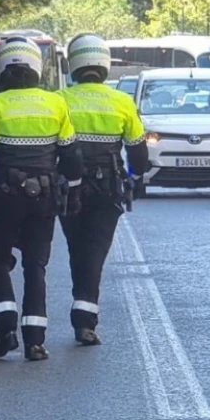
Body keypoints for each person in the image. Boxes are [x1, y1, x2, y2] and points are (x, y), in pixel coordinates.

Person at [0, 36, 84, 362]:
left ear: (1, 69)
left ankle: (5, 331)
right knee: (35, 266)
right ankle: (35, 341)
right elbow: (70, 156)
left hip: (4, 198)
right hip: (44, 199)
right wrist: (74, 187)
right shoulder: (56, 103)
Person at [59, 33, 149, 346]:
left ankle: (82, 310)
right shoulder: (122, 102)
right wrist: (137, 178)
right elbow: (138, 153)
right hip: (108, 188)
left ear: (74, 65)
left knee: (77, 249)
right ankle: (85, 319)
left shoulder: (61, 99)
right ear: (105, 65)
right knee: (95, 250)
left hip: (68, 189)